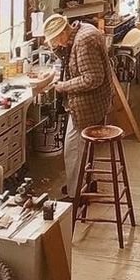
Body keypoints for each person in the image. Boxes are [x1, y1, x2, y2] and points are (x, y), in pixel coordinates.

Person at [32, 15, 115, 198]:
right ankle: (84, 183)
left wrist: (63, 86)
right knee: (78, 150)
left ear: (62, 33)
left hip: (87, 105)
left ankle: (76, 195)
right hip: (91, 102)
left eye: (54, 40)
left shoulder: (83, 41)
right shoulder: (80, 32)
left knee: (73, 150)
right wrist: (59, 51)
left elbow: (92, 78)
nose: (55, 44)